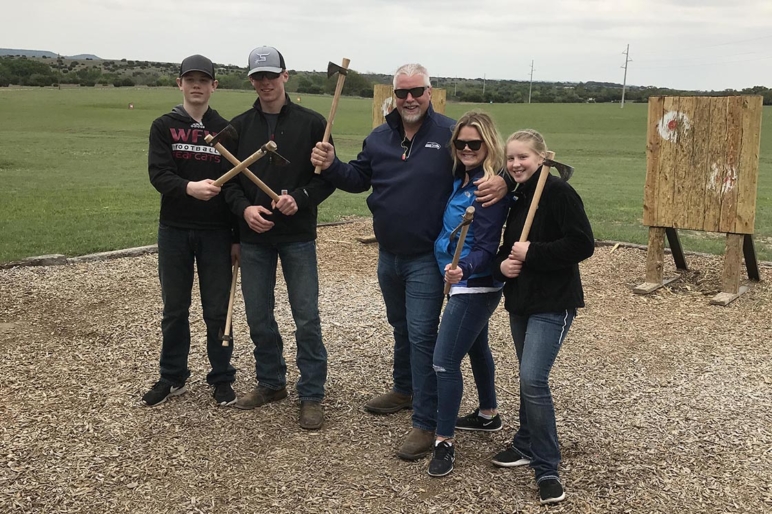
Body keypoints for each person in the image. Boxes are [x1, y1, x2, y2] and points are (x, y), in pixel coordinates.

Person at [310, 64, 507, 460]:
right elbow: (357, 178)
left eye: (417, 91)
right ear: (394, 97)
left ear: (429, 92)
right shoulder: (380, 137)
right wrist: (331, 164)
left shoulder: (449, 136)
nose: (410, 99)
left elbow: (484, 157)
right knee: (400, 326)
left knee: (421, 336)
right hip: (389, 253)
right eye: (402, 93)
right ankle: (404, 388)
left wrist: (504, 178)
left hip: (425, 259)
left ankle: (426, 421)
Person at [222, 46, 334, 430]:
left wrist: (300, 199)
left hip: (297, 235)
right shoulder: (237, 127)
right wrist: (245, 211)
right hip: (254, 237)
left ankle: (312, 393)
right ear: (251, 80)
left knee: (306, 316)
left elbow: (326, 180)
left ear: (286, 75)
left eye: (271, 75)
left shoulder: (314, 123)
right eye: (258, 77)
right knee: (258, 315)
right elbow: (230, 185)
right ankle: (271, 383)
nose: (265, 83)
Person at [492, 129, 594, 504]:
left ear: (541, 158)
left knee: (533, 379)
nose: (516, 164)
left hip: (554, 301)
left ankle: (546, 466)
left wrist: (532, 252)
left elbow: (583, 244)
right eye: (511, 158)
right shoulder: (518, 196)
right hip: (521, 299)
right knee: (525, 377)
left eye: (523, 158)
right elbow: (508, 247)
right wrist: (504, 264)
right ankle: (523, 442)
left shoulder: (559, 193)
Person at [144, 54, 239, 407]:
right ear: (179, 84)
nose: (196, 85)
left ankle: (222, 376)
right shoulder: (164, 126)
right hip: (174, 230)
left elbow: (235, 190)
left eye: (204, 79)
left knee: (217, 309)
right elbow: (159, 174)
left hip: (216, 232)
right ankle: (173, 376)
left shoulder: (227, 130)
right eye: (190, 79)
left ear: (214, 85)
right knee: (175, 308)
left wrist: (237, 238)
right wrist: (190, 188)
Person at [427, 111, 509, 477]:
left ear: (488, 144)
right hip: (462, 278)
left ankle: (443, 442)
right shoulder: (464, 178)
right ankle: (488, 414)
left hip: (473, 283)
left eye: (474, 143)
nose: (465, 149)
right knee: (476, 346)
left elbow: (488, 246)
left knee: (444, 361)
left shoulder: (488, 187)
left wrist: (465, 269)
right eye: (459, 143)